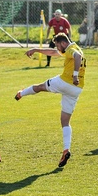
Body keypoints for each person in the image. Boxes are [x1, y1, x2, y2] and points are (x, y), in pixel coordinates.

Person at [15, 33, 85, 168]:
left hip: (65, 82)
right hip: (76, 89)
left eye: (58, 45)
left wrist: (75, 75)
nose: (58, 48)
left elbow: (77, 56)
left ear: (63, 43)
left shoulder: (72, 50)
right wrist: (36, 50)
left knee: (40, 87)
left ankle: (21, 94)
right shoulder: (73, 47)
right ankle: (66, 149)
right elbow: (53, 52)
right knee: (65, 121)